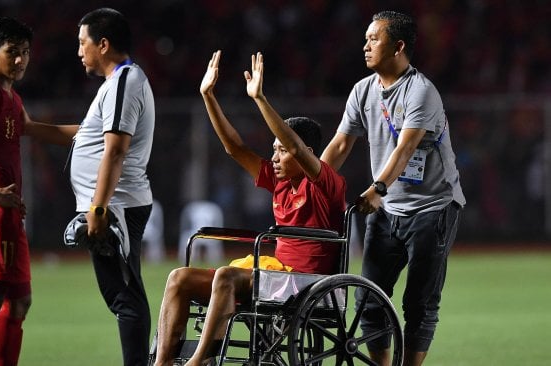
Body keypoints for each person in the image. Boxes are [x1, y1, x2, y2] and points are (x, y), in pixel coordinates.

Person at [153, 50, 346, 366]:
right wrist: (208, 96)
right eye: (274, 150)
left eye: (281, 151)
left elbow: (295, 145)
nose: (274, 157)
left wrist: (259, 99)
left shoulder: (327, 184)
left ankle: (197, 362)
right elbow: (235, 148)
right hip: (275, 276)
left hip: (307, 282)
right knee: (179, 278)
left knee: (227, 276)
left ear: (307, 155)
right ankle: (161, 363)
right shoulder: (279, 181)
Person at [320, 11, 466, 366]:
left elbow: (406, 148)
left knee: (419, 304)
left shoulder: (422, 92)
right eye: (367, 38)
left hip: (432, 209)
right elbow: (340, 145)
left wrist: (377, 188)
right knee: (369, 302)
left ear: (398, 46)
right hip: (388, 212)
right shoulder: (363, 90)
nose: (365, 45)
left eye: (374, 39)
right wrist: (313, 184)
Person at [0, 17, 78, 366]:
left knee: (20, 301)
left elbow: (34, 128)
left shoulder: (9, 94)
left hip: (7, 208)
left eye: (25, 52)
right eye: (12, 52)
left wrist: (94, 132)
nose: (20, 60)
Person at [68, 8, 155, 366]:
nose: (79, 51)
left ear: (102, 44)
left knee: (125, 297)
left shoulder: (123, 82)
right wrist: (30, 127)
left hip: (116, 205)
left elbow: (115, 151)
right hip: (115, 203)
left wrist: (98, 208)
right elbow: (87, 137)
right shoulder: (118, 82)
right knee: (124, 295)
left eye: (82, 43)